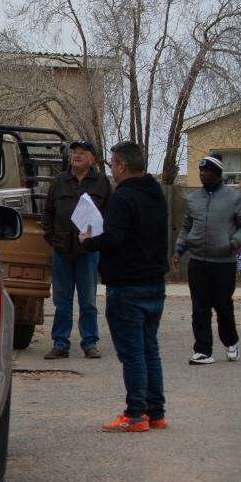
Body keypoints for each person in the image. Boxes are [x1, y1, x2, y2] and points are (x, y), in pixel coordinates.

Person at [80, 141, 168, 433]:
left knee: (132, 353)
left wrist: (89, 240)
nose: (112, 171)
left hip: (127, 285)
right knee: (149, 349)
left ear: (122, 166)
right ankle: (156, 412)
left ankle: (135, 413)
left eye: (113, 165)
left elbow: (113, 238)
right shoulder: (156, 194)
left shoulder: (123, 198)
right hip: (154, 282)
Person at [174, 155, 241, 365]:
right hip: (198, 261)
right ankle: (202, 350)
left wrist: (233, 243)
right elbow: (186, 228)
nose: (202, 174)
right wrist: (178, 250)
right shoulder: (193, 199)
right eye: (200, 171)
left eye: (206, 171)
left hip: (224, 263)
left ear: (217, 174)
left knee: (223, 305)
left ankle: (230, 341)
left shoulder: (234, 198)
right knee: (199, 307)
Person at [40, 140, 112, 360]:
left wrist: (98, 238)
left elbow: (109, 215)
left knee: (88, 300)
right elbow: (48, 213)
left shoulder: (102, 183)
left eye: (82, 153)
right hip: (61, 250)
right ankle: (60, 343)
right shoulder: (59, 181)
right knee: (62, 301)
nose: (77, 156)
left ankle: (90, 343)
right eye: (74, 152)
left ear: (92, 159)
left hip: (88, 251)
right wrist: (52, 238)